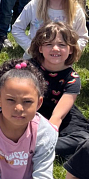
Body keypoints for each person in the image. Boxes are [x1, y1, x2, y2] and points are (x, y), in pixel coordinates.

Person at [29, 21, 89, 157]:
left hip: (61, 116)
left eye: (62, 45)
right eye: (49, 44)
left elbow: (58, 116)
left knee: (83, 139)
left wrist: (46, 136)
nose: (55, 49)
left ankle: (35, 148)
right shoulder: (28, 69)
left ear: (71, 49)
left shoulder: (72, 78)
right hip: (31, 111)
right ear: (40, 48)